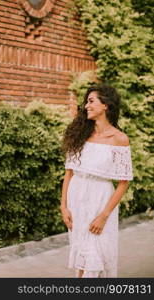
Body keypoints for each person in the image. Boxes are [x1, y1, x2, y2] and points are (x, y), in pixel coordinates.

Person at [61, 83, 133, 278]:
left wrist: (104, 216)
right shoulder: (80, 135)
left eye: (91, 101)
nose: (86, 106)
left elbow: (124, 181)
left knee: (96, 255)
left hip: (100, 199)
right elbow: (69, 173)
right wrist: (64, 206)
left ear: (106, 105)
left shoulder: (119, 139)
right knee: (82, 255)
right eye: (86, 102)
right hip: (77, 199)